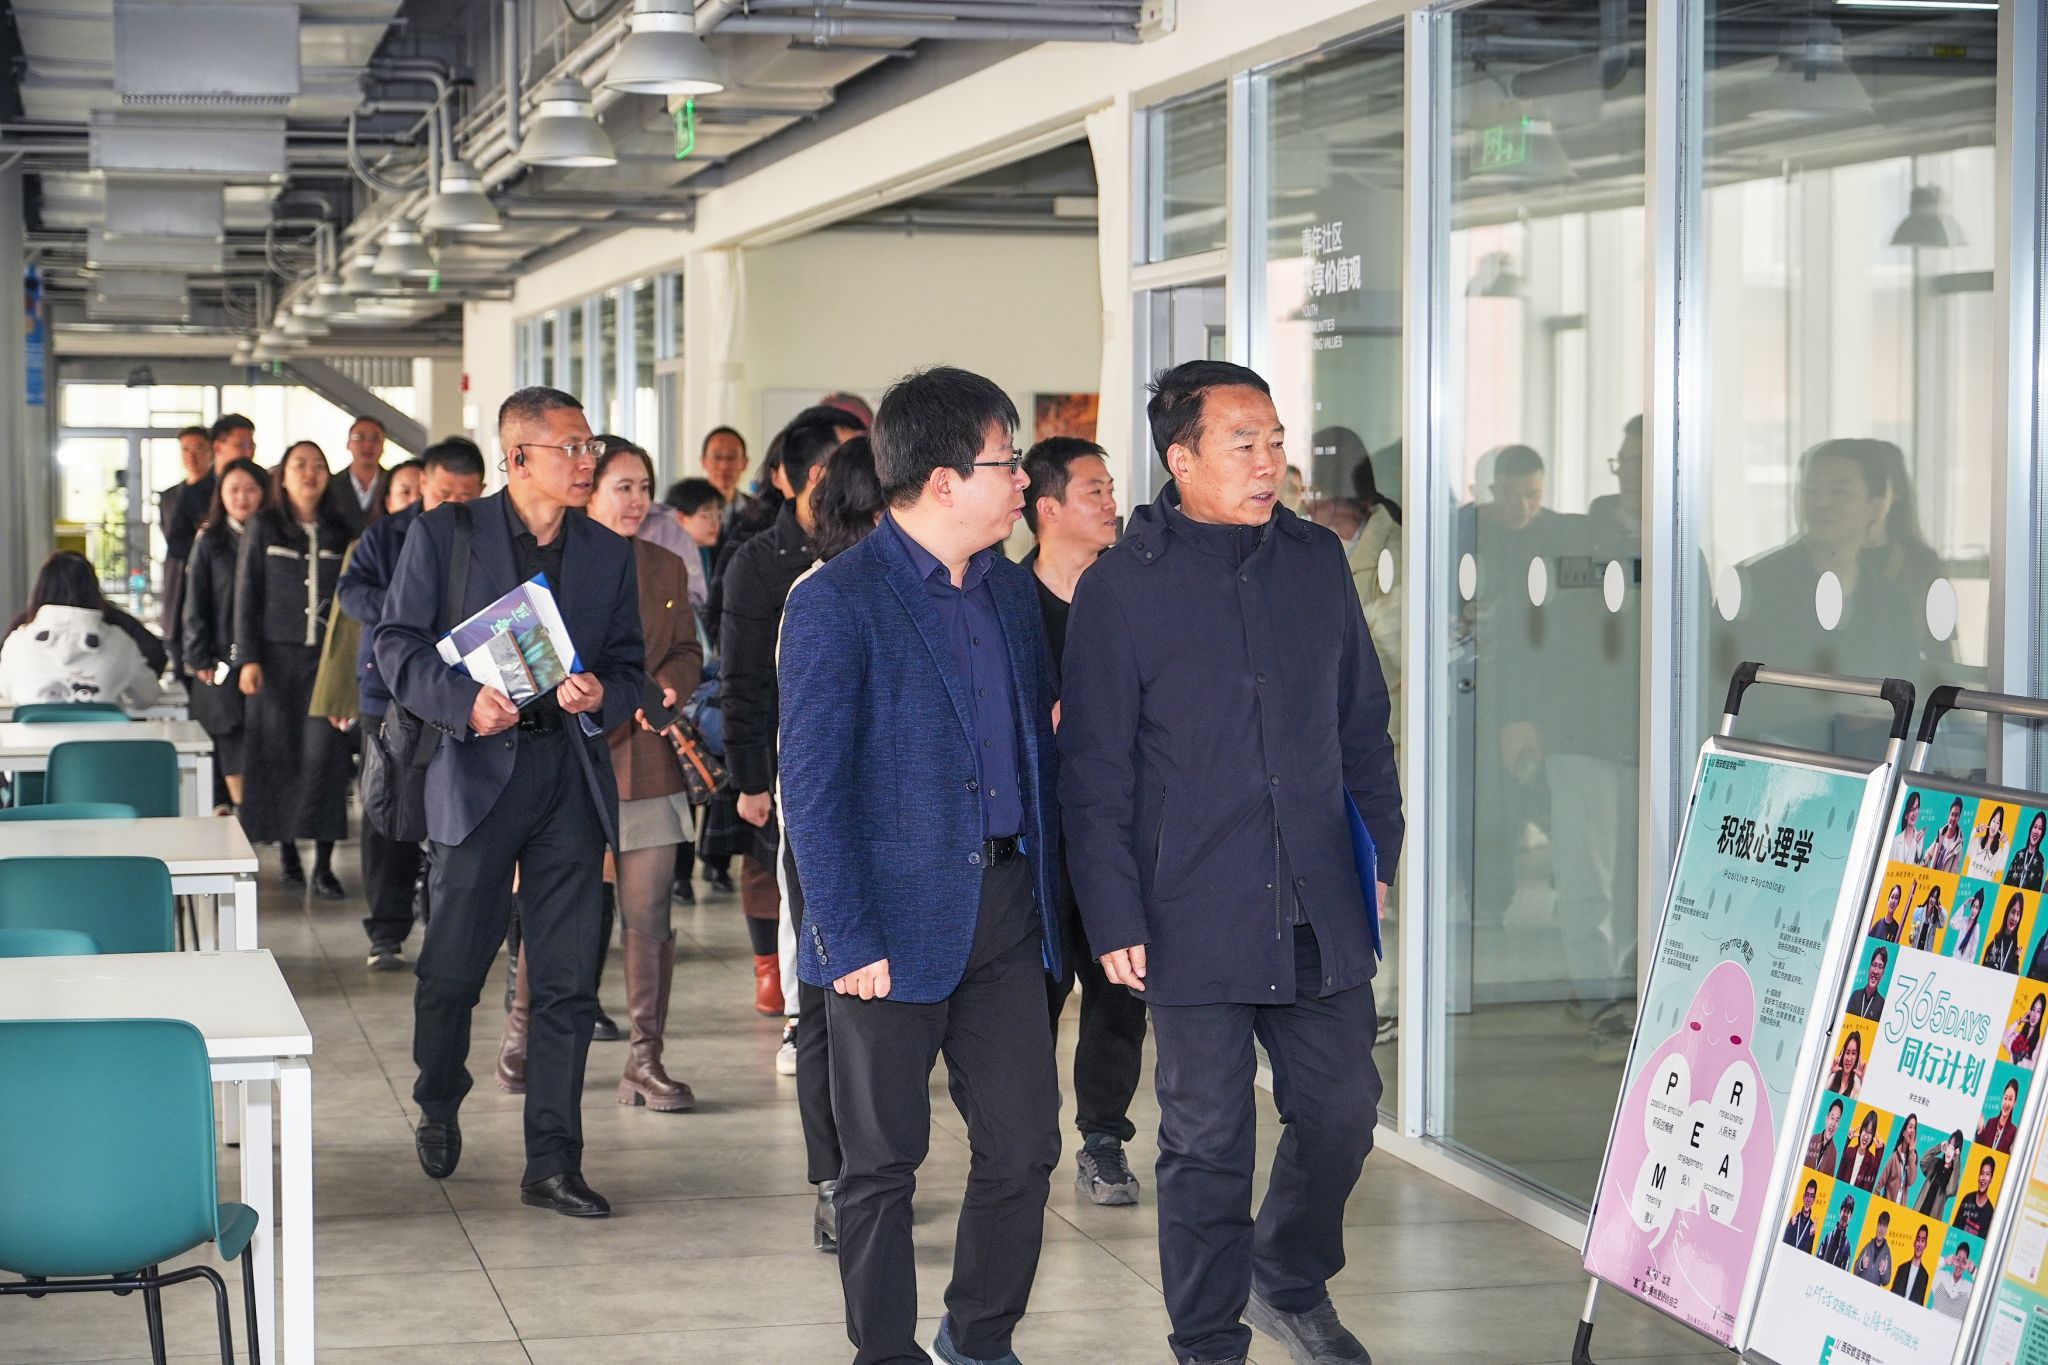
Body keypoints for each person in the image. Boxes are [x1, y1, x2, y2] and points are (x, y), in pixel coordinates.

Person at [1062, 360, 1403, 1365]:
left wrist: (1378, 849)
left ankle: (1285, 1276)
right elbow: (1093, 771)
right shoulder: (1122, 587)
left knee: (1342, 1111)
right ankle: (1208, 1341)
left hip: (1316, 896)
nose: (1269, 463)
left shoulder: (1314, 560)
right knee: (1206, 1139)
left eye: (1276, 441)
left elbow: (1361, 722)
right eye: (1243, 443)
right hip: (1188, 907)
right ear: (1182, 458)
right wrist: (1112, 913)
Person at [778, 366, 1063, 1365]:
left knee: (1024, 1147)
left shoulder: (1010, 591)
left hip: (1006, 910)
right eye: (1006, 462)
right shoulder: (838, 602)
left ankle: (977, 1339)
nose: (1023, 480)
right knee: (881, 1165)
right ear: (943, 480)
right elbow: (812, 787)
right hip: (886, 929)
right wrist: (845, 935)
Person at [376, 386, 644, 1218]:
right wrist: (464, 702)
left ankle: (553, 1161)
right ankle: (438, 1093)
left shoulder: (607, 551)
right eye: (572, 447)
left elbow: (630, 665)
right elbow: (396, 644)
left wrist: (603, 693)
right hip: (478, 772)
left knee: (566, 979)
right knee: (453, 967)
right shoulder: (447, 533)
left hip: (569, 777)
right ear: (519, 456)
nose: (588, 461)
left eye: (591, 446)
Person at [495, 436, 703, 1113]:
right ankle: (522, 1036)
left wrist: (668, 687)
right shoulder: (556, 560)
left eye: (644, 487)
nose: (636, 499)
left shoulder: (665, 564)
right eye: (623, 486)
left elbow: (687, 651)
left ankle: (646, 1059)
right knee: (555, 904)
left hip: (645, 757)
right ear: (589, 490)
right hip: (567, 758)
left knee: (649, 913)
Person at [1021, 435, 1150, 1206]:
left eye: (1110, 487)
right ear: (1047, 508)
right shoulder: (1005, 600)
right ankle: (1023, 1139)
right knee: (1029, 995)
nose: (1111, 502)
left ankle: (1104, 1138)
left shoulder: (1131, 590)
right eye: (1093, 490)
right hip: (1035, 834)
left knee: (1119, 989)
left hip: (1117, 828)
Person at [773, 433, 884, 1251]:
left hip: (901, 839)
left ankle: (874, 1169)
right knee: (823, 1004)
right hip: (823, 829)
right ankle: (832, 1176)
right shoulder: (818, 593)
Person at [718, 407, 857, 1020]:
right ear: (816, 476)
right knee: (792, 879)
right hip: (787, 754)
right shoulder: (761, 561)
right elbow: (742, 677)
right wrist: (749, 778)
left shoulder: (872, 554)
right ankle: (800, 1014)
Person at [337, 438, 487, 968]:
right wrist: (407, 604)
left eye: (466, 496)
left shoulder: (491, 535)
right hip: (390, 691)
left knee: (462, 807)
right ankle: (387, 930)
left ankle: (453, 929)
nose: (454, 506)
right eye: (444, 494)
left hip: (468, 692)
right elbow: (350, 592)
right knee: (390, 808)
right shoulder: (387, 534)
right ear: (423, 484)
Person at [233, 440, 353, 897]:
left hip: (327, 663)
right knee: (278, 755)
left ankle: (323, 863)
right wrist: (248, 658)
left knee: (326, 758)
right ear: (282, 477)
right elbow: (247, 594)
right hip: (275, 661)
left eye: (318, 465)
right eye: (299, 465)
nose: (309, 473)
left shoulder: (342, 529)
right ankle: (286, 852)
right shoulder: (264, 526)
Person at [181, 460, 272, 811]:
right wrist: (198, 656)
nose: (241, 497)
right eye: (233, 489)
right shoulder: (210, 540)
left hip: (267, 656)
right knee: (229, 732)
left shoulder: (274, 538)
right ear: (220, 495)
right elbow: (195, 602)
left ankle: (259, 814)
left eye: (250, 489)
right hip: (220, 657)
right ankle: (238, 811)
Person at [0, 551, 162, 711]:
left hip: (33, 729)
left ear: (39, 591)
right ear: (94, 591)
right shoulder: (120, 642)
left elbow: (6, 691)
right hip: (102, 729)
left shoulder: (17, 642)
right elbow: (147, 696)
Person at [157, 423, 216, 672]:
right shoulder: (170, 496)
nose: (192, 456)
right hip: (177, 580)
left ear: (212, 451)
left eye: (199, 448)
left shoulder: (219, 492)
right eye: (185, 449)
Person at [323, 415, 389, 535]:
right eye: (360, 437)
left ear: (383, 445)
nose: (368, 444)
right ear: (348, 443)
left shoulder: (392, 483)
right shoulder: (330, 484)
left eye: (375, 438)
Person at [1916, 1130, 1962, 1218]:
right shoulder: (1935, 1163)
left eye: (1952, 1149)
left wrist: (1957, 1160)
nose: (1949, 1151)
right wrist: (1938, 1148)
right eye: (1949, 1146)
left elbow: (1951, 1190)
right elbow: (1923, 1162)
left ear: (1956, 1152)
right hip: (1918, 1212)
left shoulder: (1953, 1175)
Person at [701, 425, 750, 508]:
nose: (724, 466)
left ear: (744, 463)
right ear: (703, 462)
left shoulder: (759, 511)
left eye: (731, 458)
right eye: (717, 457)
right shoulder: (686, 510)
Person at [1878, 1114, 1920, 1202]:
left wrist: (1911, 1152)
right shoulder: (1894, 1157)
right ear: (1904, 1132)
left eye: (1914, 1128)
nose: (1912, 1131)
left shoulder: (1913, 1158)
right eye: (1910, 1127)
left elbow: (1910, 1182)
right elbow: (1879, 1184)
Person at [1841, 1110, 1884, 1191]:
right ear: (1861, 1131)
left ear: (1873, 1136)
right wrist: (1847, 1140)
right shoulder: (1848, 1152)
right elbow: (1837, 1165)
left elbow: (1874, 1182)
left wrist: (1879, 1152)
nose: (1866, 1136)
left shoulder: (1872, 1161)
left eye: (1870, 1132)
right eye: (1865, 1130)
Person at [1955, 1157, 1998, 1237]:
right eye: (1982, 1173)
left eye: (1987, 1174)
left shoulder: (1989, 1211)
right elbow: (1955, 1229)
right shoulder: (1967, 1199)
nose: (1983, 1178)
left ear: (1991, 1179)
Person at [1932, 1240, 1975, 1320]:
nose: (1959, 1264)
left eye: (1963, 1261)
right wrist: (1945, 1261)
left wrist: (1972, 1269)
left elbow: (1984, 1289)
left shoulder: (1969, 1288)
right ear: (1953, 1259)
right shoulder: (1940, 1277)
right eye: (1958, 1259)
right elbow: (1927, 1267)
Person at [1892, 1224, 1933, 1306]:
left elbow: (1919, 1304)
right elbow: (1892, 1295)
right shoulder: (1901, 1268)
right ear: (1914, 1243)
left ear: (1925, 1245)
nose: (1919, 1244)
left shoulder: (1925, 1276)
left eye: (1923, 1241)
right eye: (1918, 1240)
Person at [1987, 894, 2029, 974]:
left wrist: (2015, 959)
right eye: (2013, 912)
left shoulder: (2015, 952)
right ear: (2007, 913)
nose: (2014, 918)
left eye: (2018, 914)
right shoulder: (1994, 944)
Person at [1922, 798, 1966, 873]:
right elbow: (1929, 853)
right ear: (1949, 815)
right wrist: (1924, 862)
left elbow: (1954, 870)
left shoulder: (1959, 843)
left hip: (1943, 878)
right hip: (1932, 875)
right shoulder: (1941, 834)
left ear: (1959, 818)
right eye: (1952, 814)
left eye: (1956, 815)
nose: (1953, 818)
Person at [1853, 1212, 1894, 1287]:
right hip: (1859, 1288)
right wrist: (1861, 1264)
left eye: (1884, 1226)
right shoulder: (1867, 1247)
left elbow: (1886, 1282)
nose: (1881, 1229)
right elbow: (1854, 1271)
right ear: (1877, 1225)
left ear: (1887, 1229)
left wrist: (1883, 1271)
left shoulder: (1887, 1254)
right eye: (1880, 1224)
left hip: (1873, 1293)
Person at [1968, 806, 2010, 881]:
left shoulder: (1998, 852)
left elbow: (2003, 866)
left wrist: (2006, 843)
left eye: (1998, 823)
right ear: (1990, 822)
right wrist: (1976, 830)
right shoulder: (1977, 842)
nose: (1994, 825)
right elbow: (1964, 846)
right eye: (1993, 821)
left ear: (2000, 828)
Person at [1980, 1079, 2021, 1154]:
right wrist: (1980, 1131)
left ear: (2014, 1103)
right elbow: (1980, 1147)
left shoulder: (2013, 1132)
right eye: (2005, 1098)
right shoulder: (1990, 1123)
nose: (2006, 1103)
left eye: (2010, 1099)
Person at [1847, 948, 1888, 1021]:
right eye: (1874, 965)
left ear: (1882, 974)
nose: (1875, 971)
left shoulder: (1881, 1004)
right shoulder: (1855, 996)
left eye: (1880, 967)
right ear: (1869, 968)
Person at [2009, 812, 2047, 891]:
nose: (2036, 831)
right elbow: (2007, 881)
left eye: (2040, 829)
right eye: (2035, 827)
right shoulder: (2018, 855)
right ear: (2031, 829)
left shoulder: (2040, 861)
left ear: (2042, 834)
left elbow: (2036, 890)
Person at [1806, 1099, 1844, 1176]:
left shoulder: (1834, 1153)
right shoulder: (1812, 1139)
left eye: (1837, 1120)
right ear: (1827, 1119)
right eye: (1832, 1118)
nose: (1833, 1124)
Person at [2006, 994, 2044, 1069]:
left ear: (2041, 1015)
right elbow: (2004, 1038)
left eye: (2038, 1011)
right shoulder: (2017, 1036)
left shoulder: (2039, 1046)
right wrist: (2019, 1021)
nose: (2034, 1014)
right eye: (2033, 1009)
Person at [1889, 793, 1928, 866]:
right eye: (1912, 809)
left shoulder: (1920, 839)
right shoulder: (1895, 841)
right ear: (1906, 815)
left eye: (1917, 808)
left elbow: (1920, 867)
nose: (1914, 813)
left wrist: (1919, 847)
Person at [1950, 888, 1987, 962]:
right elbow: (1952, 923)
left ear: (1979, 910)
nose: (1974, 910)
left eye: (1977, 908)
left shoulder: (1976, 928)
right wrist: (1964, 904)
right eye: (1973, 906)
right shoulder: (1964, 920)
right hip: (1954, 959)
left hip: (1964, 963)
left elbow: (1973, 953)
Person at [1827, 1030, 1866, 1099]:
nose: (1849, 1058)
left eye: (1853, 1053)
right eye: (1847, 1052)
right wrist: (1830, 1072)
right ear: (1843, 1054)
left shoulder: (1857, 1086)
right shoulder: (1832, 1078)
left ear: (1857, 1057)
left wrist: (1862, 1079)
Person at [1818, 1198, 1855, 1269]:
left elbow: (1845, 1271)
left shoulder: (1847, 1246)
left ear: (1850, 1217)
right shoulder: (1828, 1237)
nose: (1845, 1215)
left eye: (1848, 1212)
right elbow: (1818, 1258)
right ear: (1840, 1212)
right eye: (1844, 1210)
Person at [1783, 1180, 1819, 1253]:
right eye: (1807, 1195)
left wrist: (1811, 1236)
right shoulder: (1794, 1219)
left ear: (1814, 1200)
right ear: (1803, 1197)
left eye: (1811, 1196)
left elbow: (1807, 1253)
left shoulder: (1811, 1227)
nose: (1808, 1199)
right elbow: (1783, 1243)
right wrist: (1790, 1226)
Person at [1910, 886, 1947, 955]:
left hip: (1926, 953)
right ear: (1929, 896)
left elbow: (1942, 925)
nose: (1932, 899)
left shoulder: (1935, 918)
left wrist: (1941, 910)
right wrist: (1911, 936)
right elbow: (1913, 928)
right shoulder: (1918, 911)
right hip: (1914, 949)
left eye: (1935, 898)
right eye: (1932, 896)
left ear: (1937, 901)